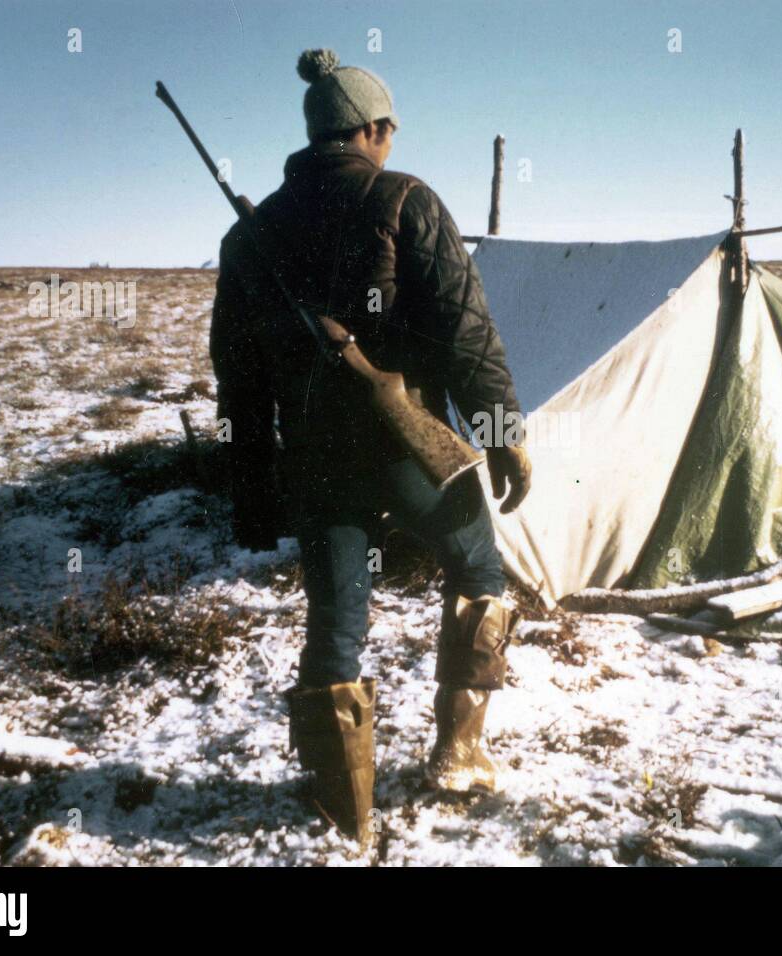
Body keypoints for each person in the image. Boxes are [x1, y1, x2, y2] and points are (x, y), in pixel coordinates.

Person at [209, 48, 531, 844]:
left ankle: (340, 806)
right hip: (409, 449)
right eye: (389, 131)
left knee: (336, 619)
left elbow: (238, 381)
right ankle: (459, 754)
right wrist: (499, 435)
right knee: (480, 571)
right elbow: (468, 332)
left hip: (316, 459)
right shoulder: (406, 198)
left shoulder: (249, 238)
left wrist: (252, 485)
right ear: (372, 131)